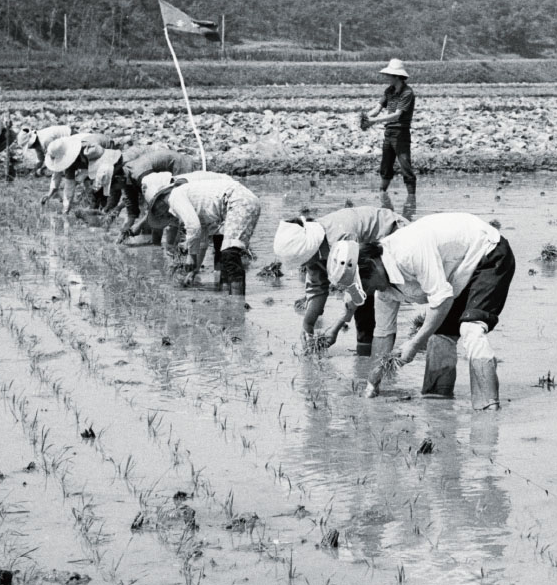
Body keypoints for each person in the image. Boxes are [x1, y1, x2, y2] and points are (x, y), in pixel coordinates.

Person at [357, 212, 514, 408]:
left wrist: (414, 343)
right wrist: (372, 381)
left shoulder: (408, 251)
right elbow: (382, 334)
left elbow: (442, 299)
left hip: (488, 253)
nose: (367, 291)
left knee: (471, 329)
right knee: (439, 337)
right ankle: (437, 404)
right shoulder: (383, 290)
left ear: (372, 265)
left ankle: (488, 411)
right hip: (456, 276)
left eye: (364, 284)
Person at [272, 206, 409, 355]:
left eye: (303, 261)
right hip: (367, 265)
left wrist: (336, 328)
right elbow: (317, 289)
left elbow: (356, 286)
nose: (304, 265)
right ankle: (366, 357)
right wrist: (307, 325)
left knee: (377, 302)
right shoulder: (313, 251)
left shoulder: (342, 239)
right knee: (363, 306)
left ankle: (376, 356)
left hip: (394, 237)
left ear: (309, 251)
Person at [141, 172, 260, 295]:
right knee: (226, 256)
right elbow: (202, 242)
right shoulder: (191, 203)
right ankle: (227, 297)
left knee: (229, 254)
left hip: (239, 201)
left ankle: (237, 302)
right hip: (240, 202)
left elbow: (193, 226)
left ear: (162, 198)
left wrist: (191, 257)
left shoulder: (175, 197)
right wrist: (194, 271)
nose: (160, 212)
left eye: (157, 207)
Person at [115, 145, 200, 240]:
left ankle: (171, 246)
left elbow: (158, 201)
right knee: (159, 213)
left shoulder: (139, 173)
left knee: (175, 207)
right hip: (164, 179)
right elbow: (131, 213)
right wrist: (123, 232)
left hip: (180, 167)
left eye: (114, 187)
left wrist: (139, 225)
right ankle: (157, 244)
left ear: (119, 179)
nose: (117, 191)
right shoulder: (126, 182)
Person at [361, 59, 417, 201]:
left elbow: (397, 115)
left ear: (397, 76)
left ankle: (411, 198)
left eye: (389, 75)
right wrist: (366, 117)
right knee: (385, 166)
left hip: (401, 133)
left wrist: (374, 121)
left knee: (405, 166)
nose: (387, 78)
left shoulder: (407, 93)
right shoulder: (389, 91)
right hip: (389, 133)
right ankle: (382, 193)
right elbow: (378, 108)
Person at [41, 132, 116, 213]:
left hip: (105, 147)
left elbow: (93, 170)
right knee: (89, 185)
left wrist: (79, 180)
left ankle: (105, 209)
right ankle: (94, 206)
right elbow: (68, 184)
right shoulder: (63, 155)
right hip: (88, 159)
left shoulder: (87, 150)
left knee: (102, 185)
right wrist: (65, 208)